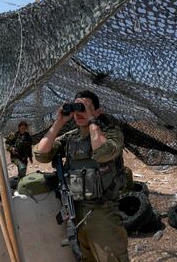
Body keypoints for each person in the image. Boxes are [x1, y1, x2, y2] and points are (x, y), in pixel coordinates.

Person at [34, 90, 128, 262]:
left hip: (102, 214)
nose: (79, 113)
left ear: (98, 111)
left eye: (84, 108)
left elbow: (103, 153)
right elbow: (41, 154)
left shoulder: (111, 133)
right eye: (76, 108)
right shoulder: (71, 139)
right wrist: (60, 121)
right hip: (75, 212)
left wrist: (92, 119)